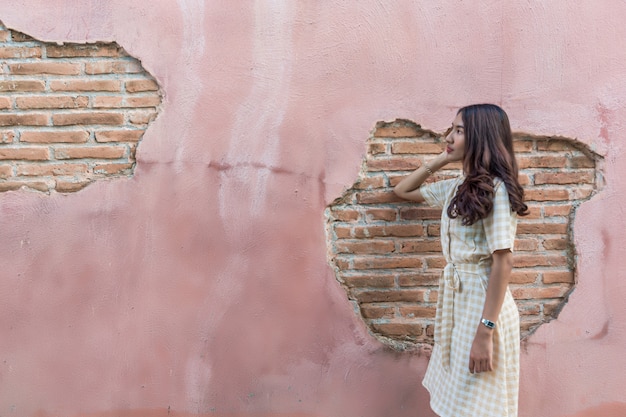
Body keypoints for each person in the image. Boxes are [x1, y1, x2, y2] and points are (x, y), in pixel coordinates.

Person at [394, 104, 528, 417]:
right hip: (460, 304)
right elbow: (403, 190)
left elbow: (503, 262)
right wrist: (443, 157)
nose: (449, 136)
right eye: (451, 129)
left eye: (459, 130)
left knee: (479, 404)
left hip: (484, 308)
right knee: (458, 402)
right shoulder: (458, 187)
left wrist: (486, 332)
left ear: (480, 137)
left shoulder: (497, 191)